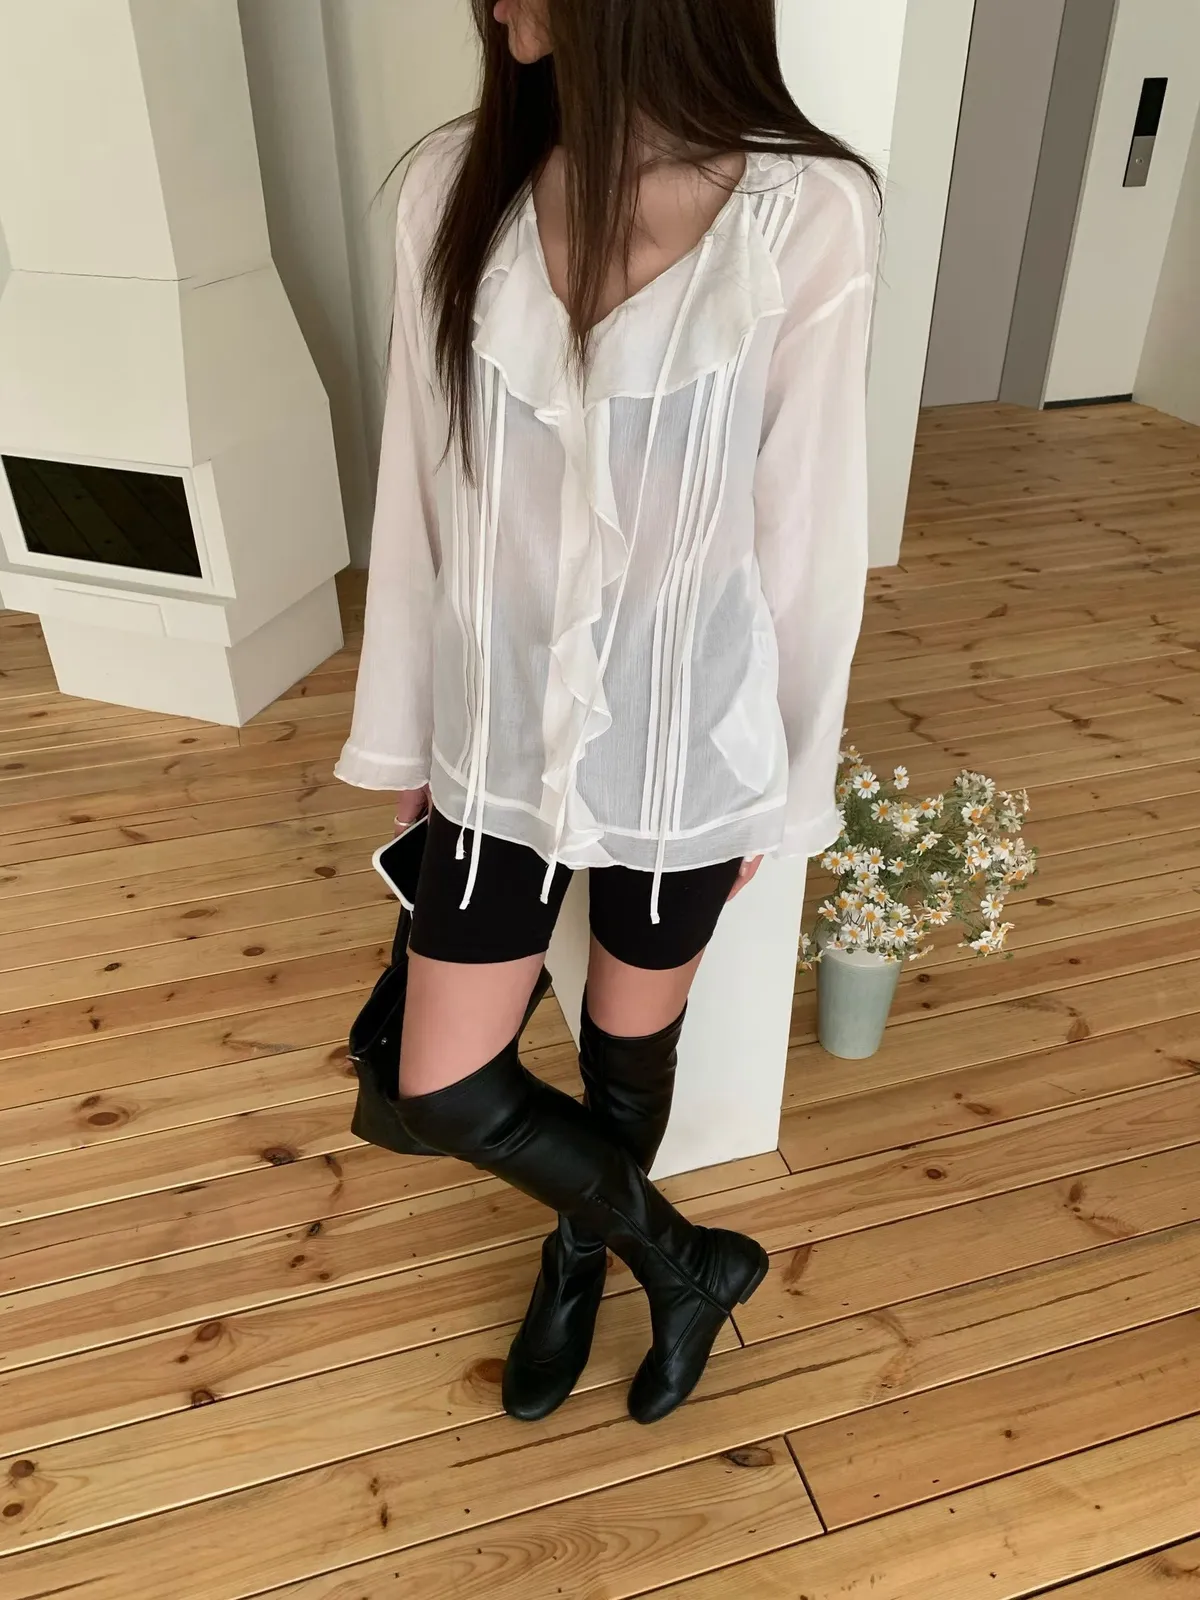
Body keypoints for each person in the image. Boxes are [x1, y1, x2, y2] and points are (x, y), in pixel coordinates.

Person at [336, 0, 880, 1426]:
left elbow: (806, 542)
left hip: (686, 744)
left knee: (629, 1056)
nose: (498, 5)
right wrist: (409, 733)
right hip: (493, 737)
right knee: (444, 1083)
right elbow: (418, 493)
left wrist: (779, 789)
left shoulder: (804, 219)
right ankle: (687, 1262)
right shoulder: (453, 189)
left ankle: (579, 1257)